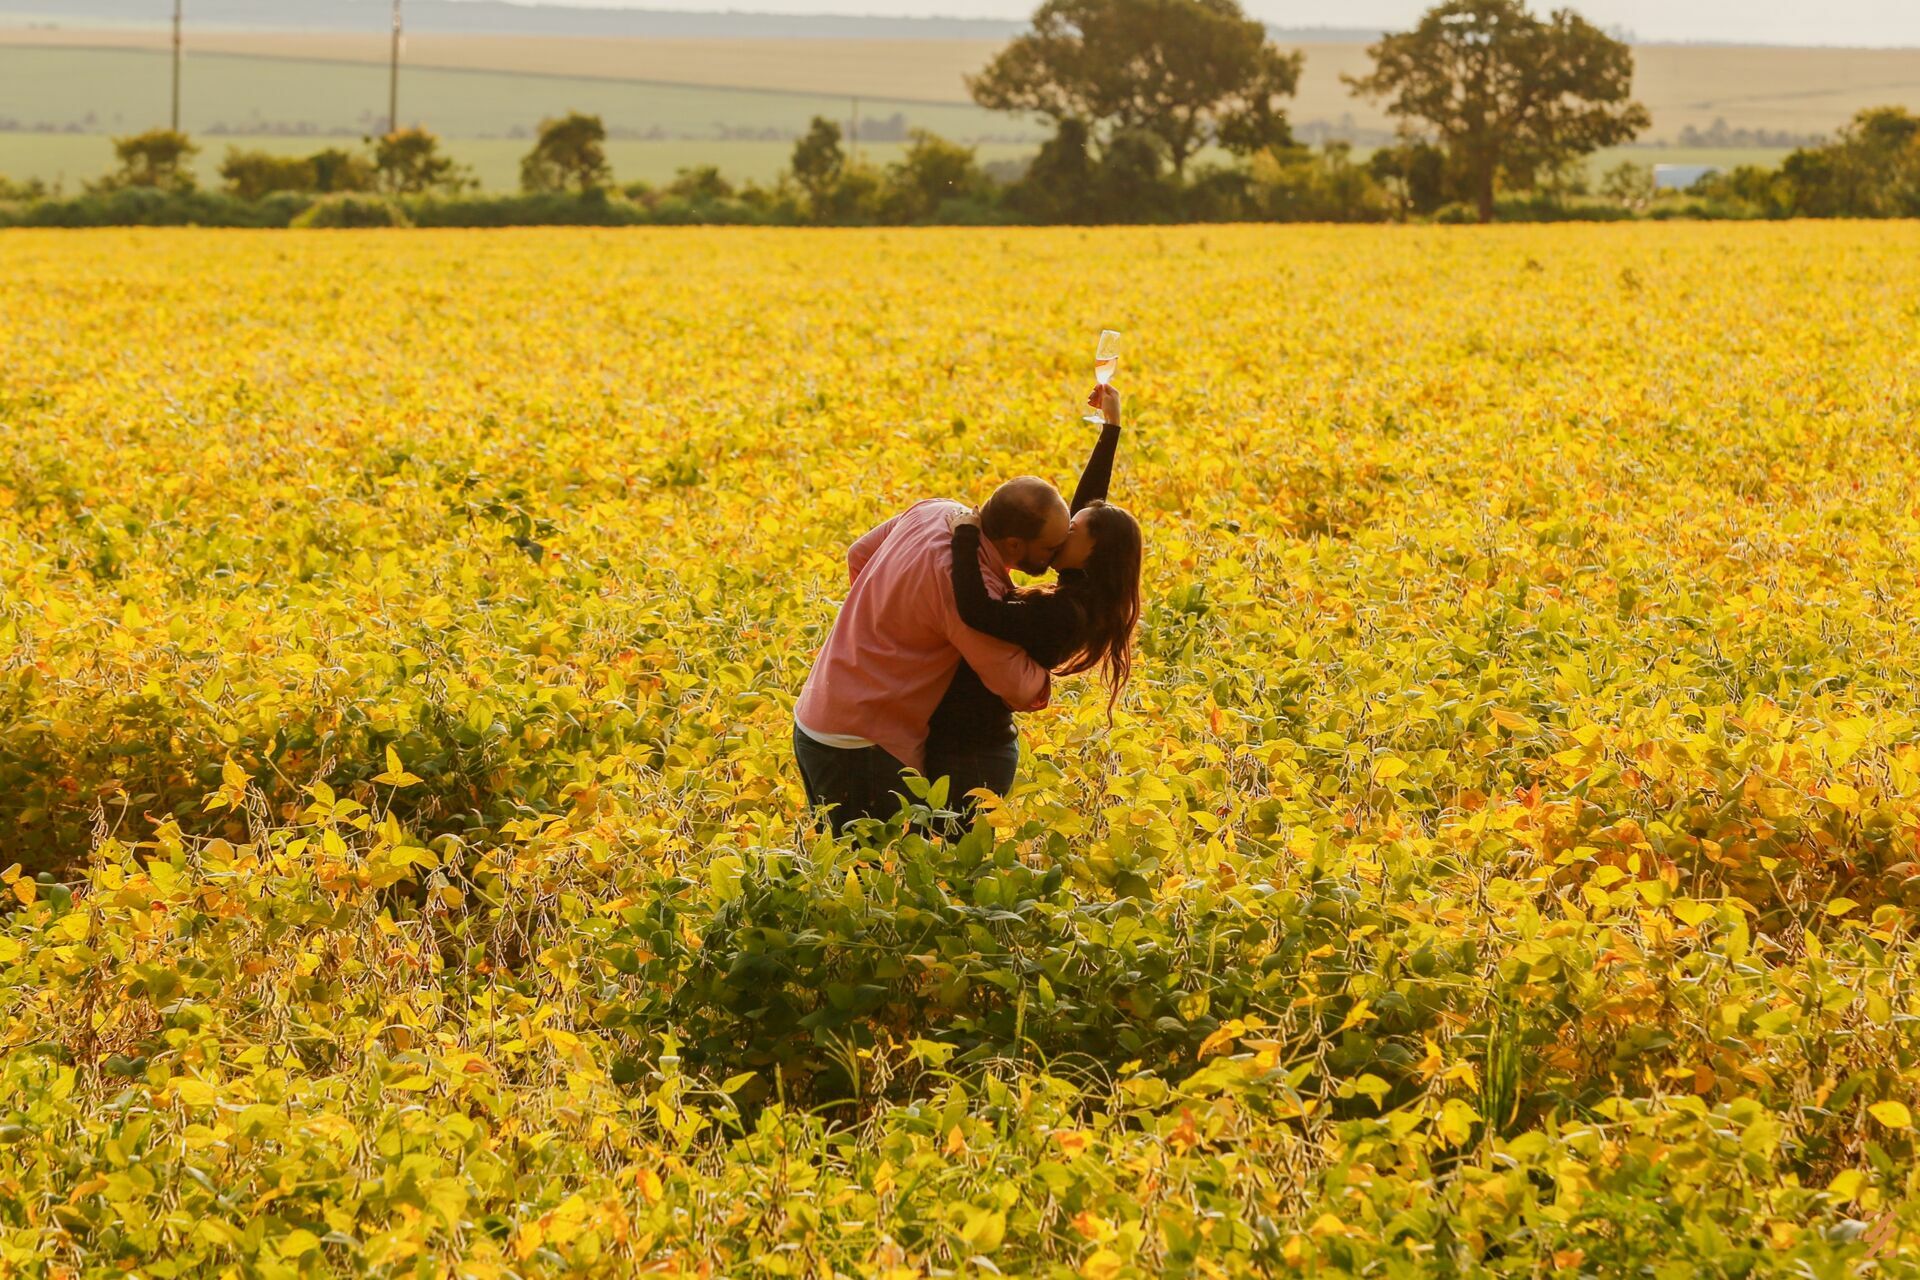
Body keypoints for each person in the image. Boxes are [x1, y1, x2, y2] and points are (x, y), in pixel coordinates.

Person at [791, 480, 1065, 834]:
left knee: (844, 876)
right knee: (886, 880)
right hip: (866, 750)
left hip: (815, 721)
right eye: (1050, 548)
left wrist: (889, 621)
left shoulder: (934, 511)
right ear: (1014, 544)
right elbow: (1019, 689)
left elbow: (859, 554)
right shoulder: (970, 591)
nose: (1056, 557)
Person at [923, 385, 1141, 817]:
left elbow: (976, 611)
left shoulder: (1062, 612)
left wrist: (965, 536)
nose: (1062, 532)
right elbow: (1087, 510)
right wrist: (1110, 429)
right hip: (963, 744)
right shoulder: (1082, 587)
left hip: (972, 756)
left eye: (1072, 532)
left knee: (955, 870)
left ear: (1092, 552)